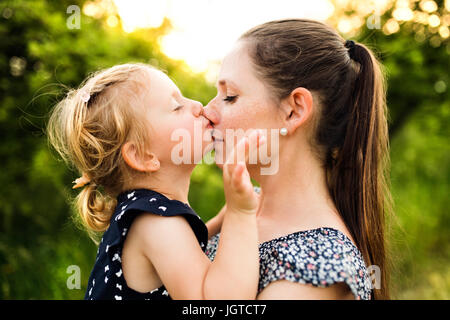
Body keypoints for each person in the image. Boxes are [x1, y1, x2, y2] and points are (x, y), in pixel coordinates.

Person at [204, 19, 392, 300]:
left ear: (294, 111)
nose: (208, 111)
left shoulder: (318, 267)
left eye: (230, 97)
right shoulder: (248, 205)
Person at [47, 63, 264, 300]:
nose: (197, 106)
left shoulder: (149, 214)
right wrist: (240, 213)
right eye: (176, 106)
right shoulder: (156, 222)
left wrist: (220, 222)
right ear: (142, 156)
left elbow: (186, 251)